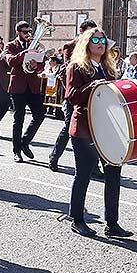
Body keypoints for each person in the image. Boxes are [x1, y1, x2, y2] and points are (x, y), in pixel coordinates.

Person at [64, 27, 133, 238]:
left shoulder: (109, 68)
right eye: (95, 39)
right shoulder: (76, 67)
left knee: (113, 175)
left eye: (103, 40)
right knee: (83, 175)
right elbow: (72, 96)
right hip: (85, 129)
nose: (100, 43)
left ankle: (112, 224)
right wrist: (92, 87)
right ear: (86, 43)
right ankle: (77, 219)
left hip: (108, 129)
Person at [49, 19, 98, 172]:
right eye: (89, 33)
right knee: (69, 128)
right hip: (73, 95)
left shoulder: (95, 47)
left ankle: (93, 166)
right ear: (81, 31)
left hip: (91, 95)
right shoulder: (70, 47)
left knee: (93, 130)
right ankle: (54, 157)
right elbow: (66, 71)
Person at [4, 19, 47, 163]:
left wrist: (37, 63)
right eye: (25, 32)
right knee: (19, 119)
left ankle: (25, 141)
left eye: (29, 32)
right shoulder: (11, 46)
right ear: (18, 33)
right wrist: (26, 53)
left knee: (40, 114)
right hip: (18, 87)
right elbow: (11, 62)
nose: (28, 34)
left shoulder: (34, 46)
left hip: (33, 86)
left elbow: (41, 66)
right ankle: (17, 151)